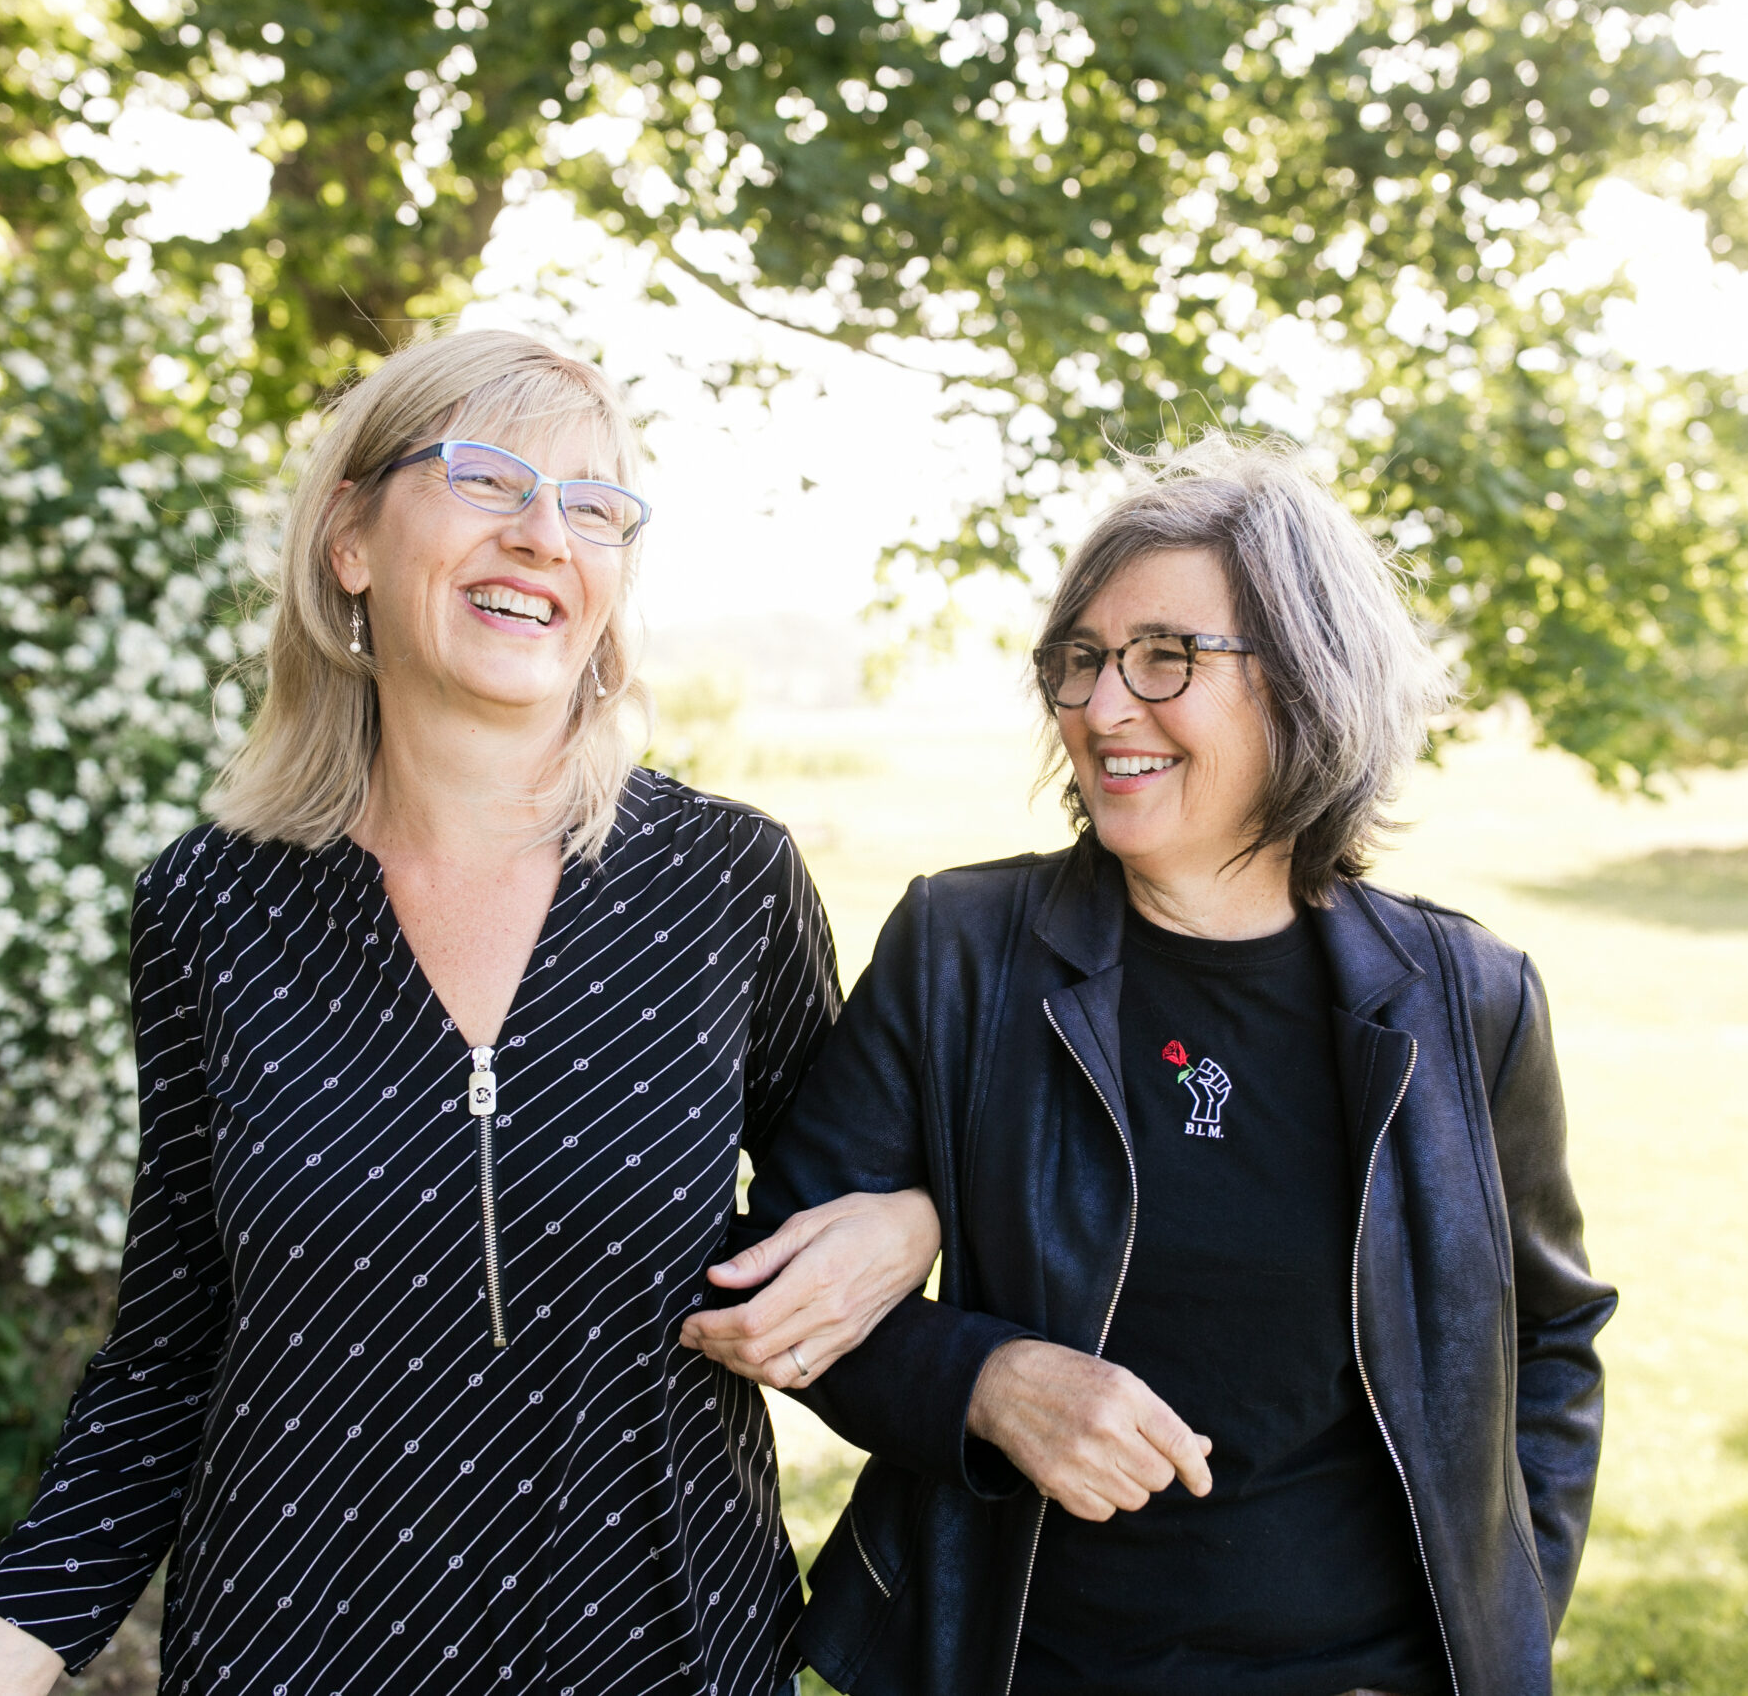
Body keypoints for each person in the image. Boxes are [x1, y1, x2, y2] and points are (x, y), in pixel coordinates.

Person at [0, 329, 938, 1696]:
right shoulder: (211, 904)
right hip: (290, 1660)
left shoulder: (725, 881)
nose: (541, 534)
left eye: (591, 506)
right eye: (485, 477)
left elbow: (849, 1203)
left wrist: (910, 1215)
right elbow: (166, 1361)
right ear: (351, 538)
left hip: (658, 1654)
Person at [685, 436, 1616, 1696]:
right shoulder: (962, 952)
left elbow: (1549, 1341)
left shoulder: (1469, 998)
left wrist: (1505, 1615)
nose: (1102, 707)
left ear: (1305, 681)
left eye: (1164, 658)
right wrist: (987, 1383)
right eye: (1079, 662)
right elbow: (778, 1286)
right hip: (1027, 1666)